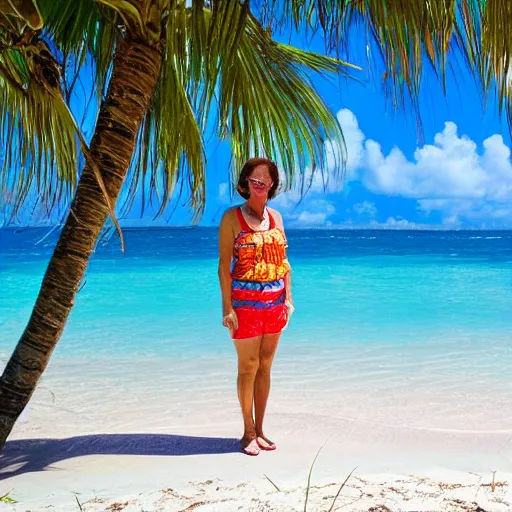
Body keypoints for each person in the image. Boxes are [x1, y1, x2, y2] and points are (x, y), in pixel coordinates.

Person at [218, 157, 294, 456]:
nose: (260, 183)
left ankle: (261, 430)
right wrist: (227, 308)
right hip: (245, 305)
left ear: (272, 184)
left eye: (265, 179)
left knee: (265, 367)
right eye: (254, 179)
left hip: (275, 304)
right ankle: (247, 432)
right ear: (246, 182)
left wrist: (288, 298)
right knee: (248, 366)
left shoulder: (276, 217)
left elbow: (284, 262)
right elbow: (224, 267)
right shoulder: (231, 218)